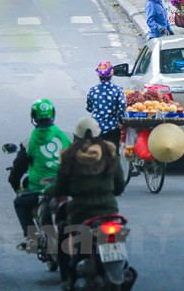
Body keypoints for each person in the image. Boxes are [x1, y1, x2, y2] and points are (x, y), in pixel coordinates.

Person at [44, 117, 125, 288]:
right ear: (98, 134)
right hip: (110, 214)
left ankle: (68, 279)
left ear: (77, 135)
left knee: (74, 248)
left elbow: (60, 188)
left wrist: (49, 191)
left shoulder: (70, 157)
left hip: (81, 214)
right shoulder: (110, 153)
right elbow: (119, 186)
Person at [7, 99, 71, 250]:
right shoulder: (67, 137)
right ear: (53, 115)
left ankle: (32, 238)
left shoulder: (29, 142)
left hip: (39, 189)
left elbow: (17, 171)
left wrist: (16, 186)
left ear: (33, 117)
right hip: (66, 187)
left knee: (20, 203)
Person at [86, 62, 127, 148]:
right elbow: (122, 106)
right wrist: (120, 118)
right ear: (112, 74)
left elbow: (89, 108)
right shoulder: (118, 90)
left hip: (96, 127)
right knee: (113, 153)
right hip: (113, 128)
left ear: (99, 75)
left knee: (96, 152)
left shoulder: (93, 90)